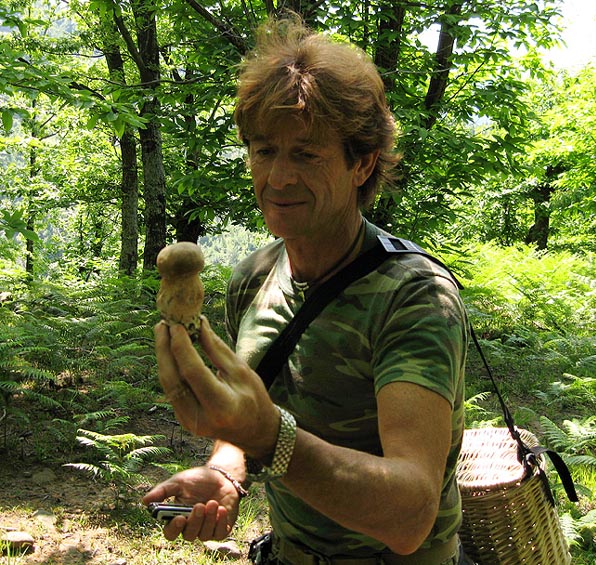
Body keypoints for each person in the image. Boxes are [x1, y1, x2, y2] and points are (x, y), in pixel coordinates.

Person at [144, 15, 470, 565]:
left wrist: (271, 439)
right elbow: (252, 416)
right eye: (264, 150)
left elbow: (411, 515)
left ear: (362, 163)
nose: (278, 178)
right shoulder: (252, 279)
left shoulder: (414, 297)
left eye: (306, 154)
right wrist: (225, 468)